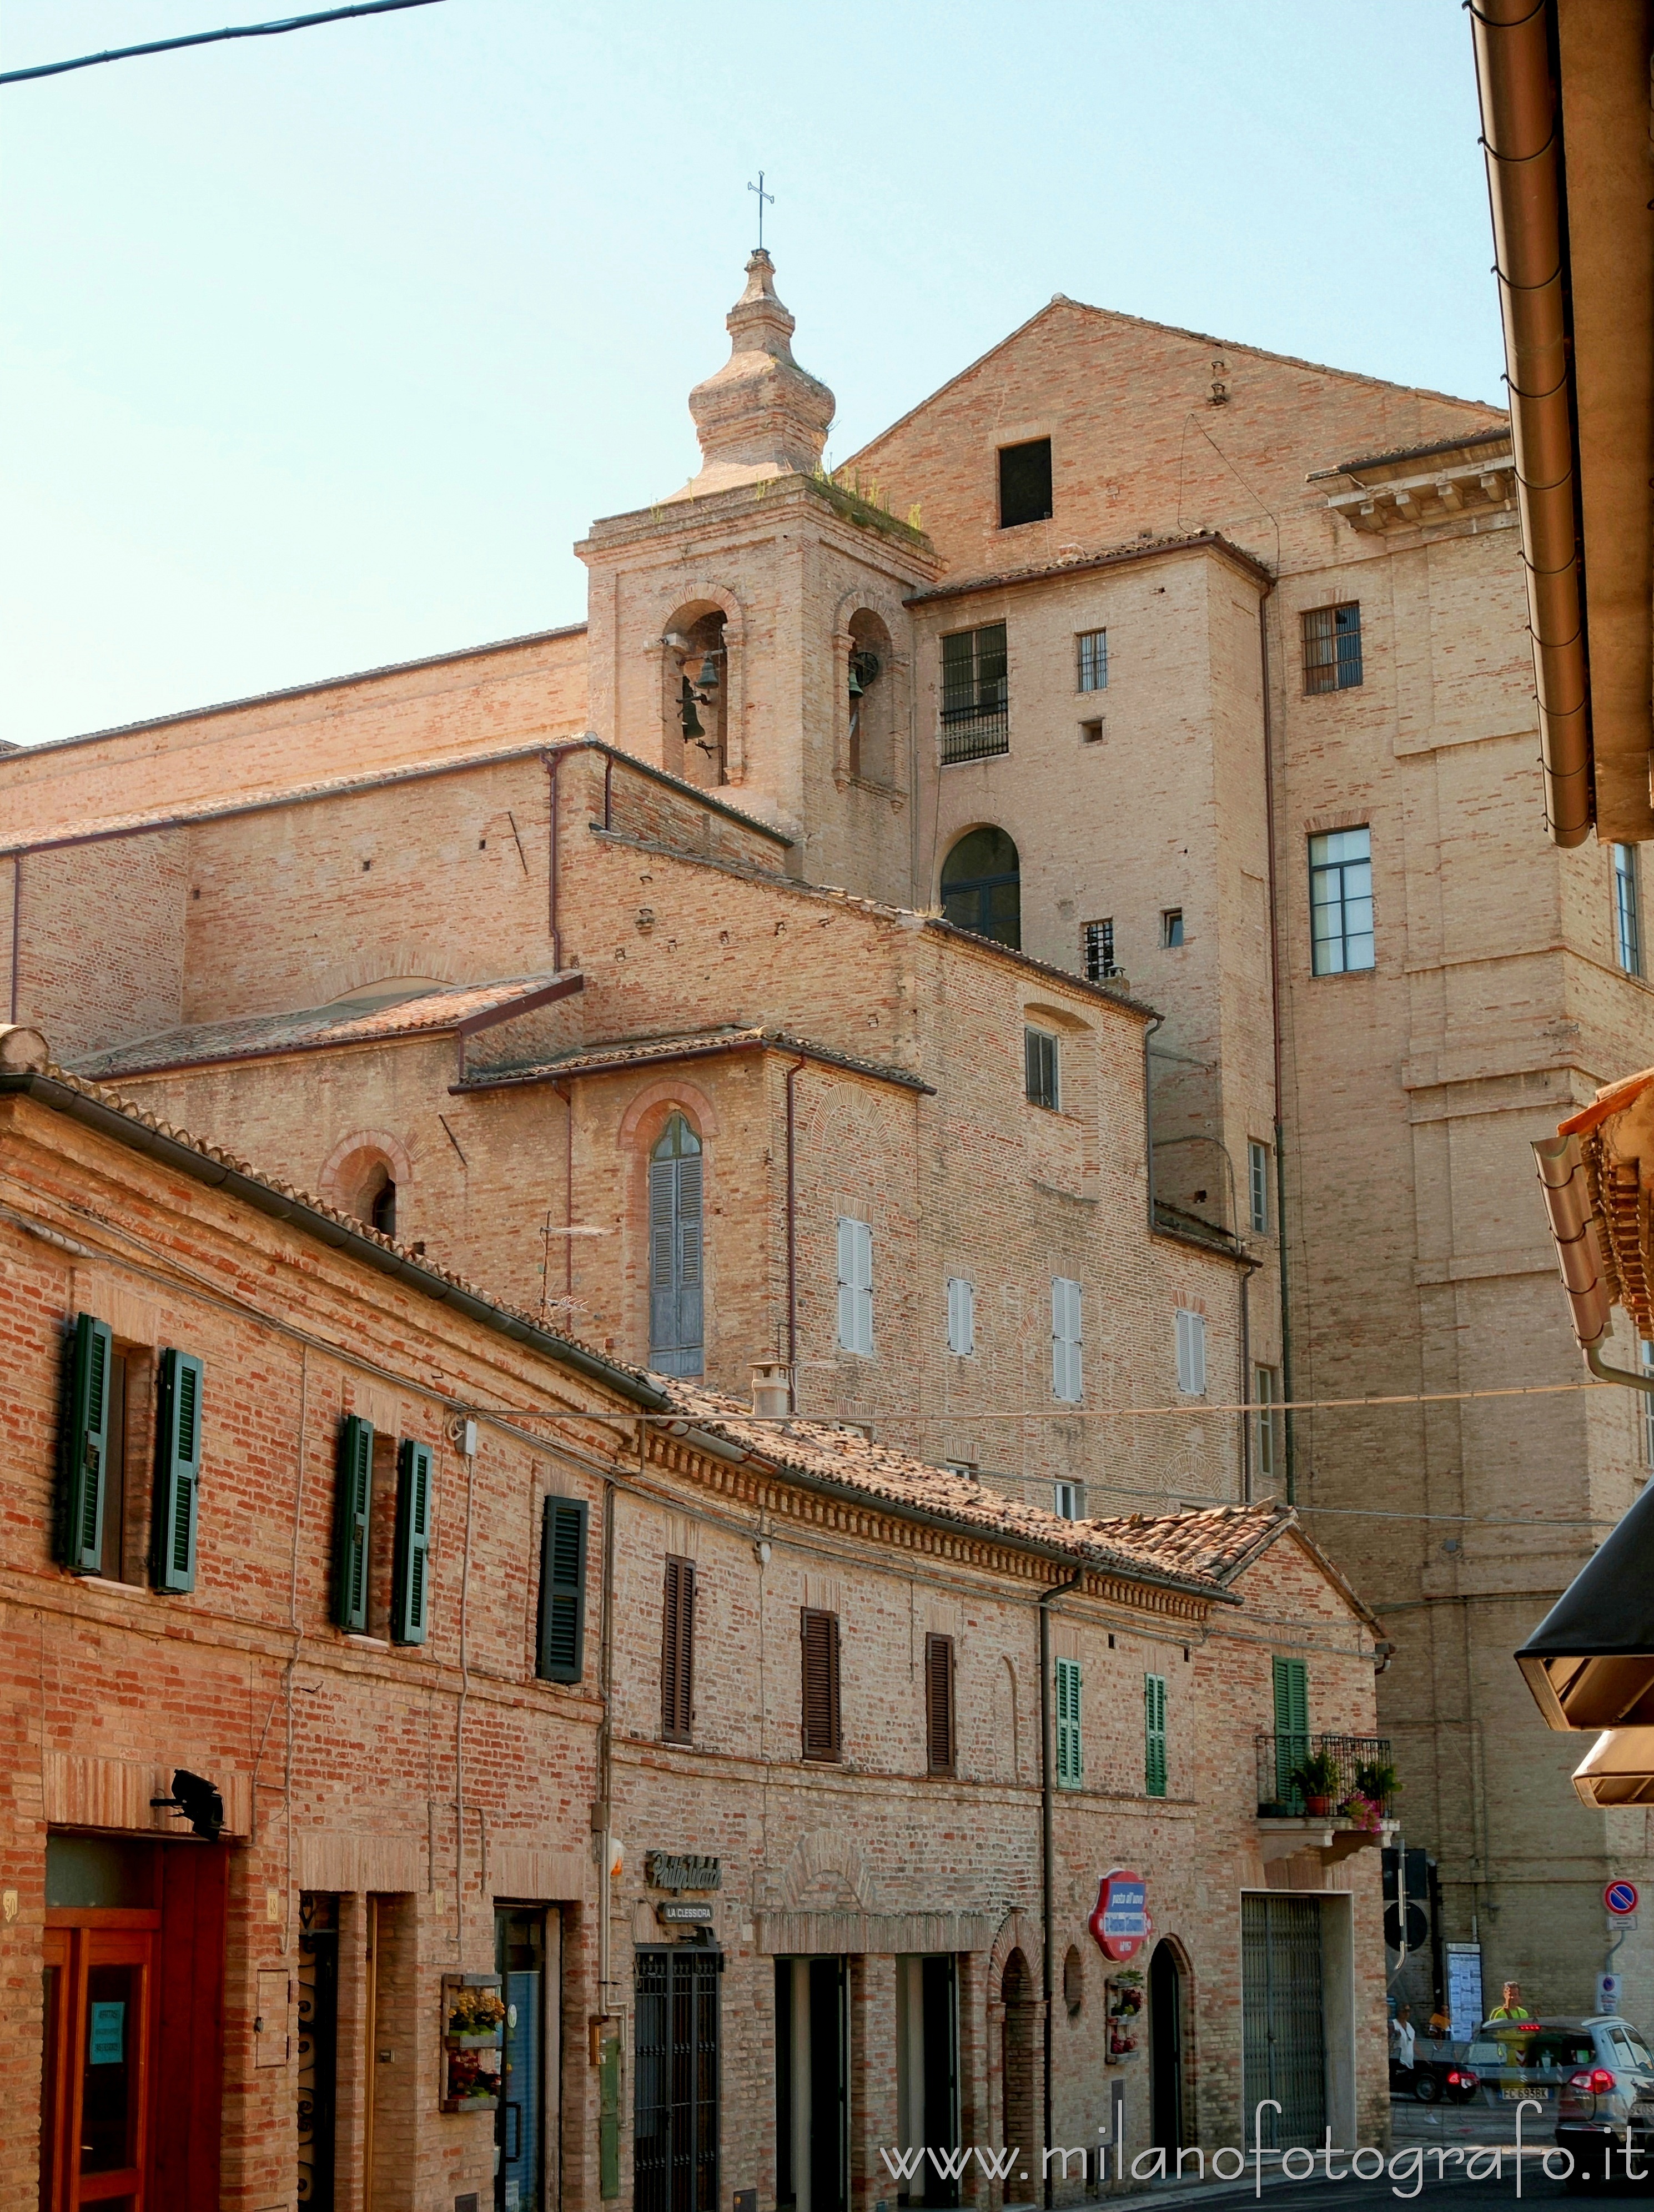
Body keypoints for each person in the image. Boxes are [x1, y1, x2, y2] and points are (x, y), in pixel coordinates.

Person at [1390, 2002, 1417, 2088]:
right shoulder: (1393, 2024)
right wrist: (1394, 2038)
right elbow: (1388, 2041)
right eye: (1404, 2011)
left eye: (1408, 2011)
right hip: (1398, 2060)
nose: (1407, 2014)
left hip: (1409, 2061)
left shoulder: (1409, 2026)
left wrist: (1425, 2059)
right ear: (1399, 2012)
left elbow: (1414, 2044)